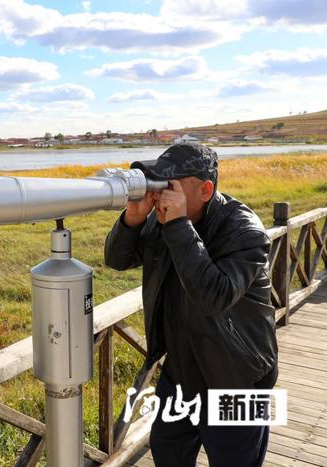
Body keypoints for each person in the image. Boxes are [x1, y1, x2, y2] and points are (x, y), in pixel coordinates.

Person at [103, 142, 278, 467]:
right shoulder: (163, 220)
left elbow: (214, 296)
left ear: (206, 190)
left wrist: (178, 226)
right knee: (167, 453)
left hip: (238, 380)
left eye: (168, 185)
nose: (159, 194)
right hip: (182, 374)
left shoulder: (245, 231)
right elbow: (116, 259)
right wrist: (132, 219)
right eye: (155, 182)